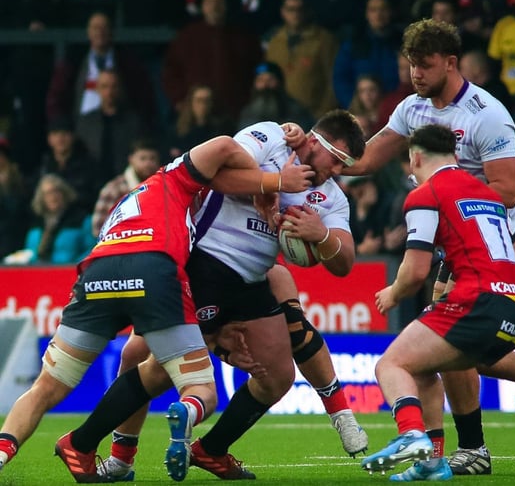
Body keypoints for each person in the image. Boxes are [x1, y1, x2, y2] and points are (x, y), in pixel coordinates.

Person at [344, 19, 515, 476]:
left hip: (496, 236)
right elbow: (370, 157)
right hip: (454, 238)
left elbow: (508, 190)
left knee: (449, 333)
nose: (415, 74)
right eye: (410, 64)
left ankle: (467, 444)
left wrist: (449, 192)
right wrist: (317, 164)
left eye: (425, 65)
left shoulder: (485, 113)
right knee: (451, 339)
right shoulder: (412, 108)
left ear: (451, 63)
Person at [0, 134, 315, 481]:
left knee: (47, 386)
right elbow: (224, 144)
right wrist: (276, 182)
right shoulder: (177, 176)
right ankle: (180, 414)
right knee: (200, 388)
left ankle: (9, 451)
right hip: (153, 270)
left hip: (98, 272)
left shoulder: (126, 201)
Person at [93, 111, 369, 481]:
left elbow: (344, 261)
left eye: (346, 165)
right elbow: (215, 174)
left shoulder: (331, 199)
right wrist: (272, 183)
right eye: (337, 159)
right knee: (138, 354)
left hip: (251, 280)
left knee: (279, 372)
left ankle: (210, 449)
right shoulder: (272, 137)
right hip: (199, 263)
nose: (337, 170)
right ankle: (118, 456)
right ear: (316, 141)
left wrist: (320, 236)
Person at [360, 123, 515, 481]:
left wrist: (392, 293)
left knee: (390, 365)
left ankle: (410, 434)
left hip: (478, 302)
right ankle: (432, 461)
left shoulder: (425, 193)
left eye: (410, 162)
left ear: (417, 156)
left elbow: (416, 270)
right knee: (420, 367)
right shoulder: (486, 192)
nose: (409, 170)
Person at [162, 0, 263, 123]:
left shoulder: (243, 38)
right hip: (195, 114)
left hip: (234, 112)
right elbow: (171, 72)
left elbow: (257, 71)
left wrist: (250, 102)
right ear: (202, 6)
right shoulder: (187, 36)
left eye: (219, 2)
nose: (215, 7)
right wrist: (180, 100)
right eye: (210, 2)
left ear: (226, 5)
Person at [45, 11, 155, 128]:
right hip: (81, 128)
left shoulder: (128, 63)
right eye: (95, 27)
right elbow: (56, 98)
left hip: (121, 129)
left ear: (112, 31)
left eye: (104, 27)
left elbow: (144, 98)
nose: (100, 32)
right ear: (88, 32)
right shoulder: (74, 63)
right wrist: (62, 126)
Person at [265, 0, 339, 118]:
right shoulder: (274, 41)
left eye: (300, 9)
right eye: (291, 9)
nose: (295, 14)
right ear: (283, 12)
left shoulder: (324, 40)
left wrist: (323, 114)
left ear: (308, 11)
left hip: (311, 115)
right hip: (277, 115)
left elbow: (333, 79)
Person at [3, 174, 94, 265]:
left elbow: (90, 250)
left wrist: (76, 266)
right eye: (47, 193)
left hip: (69, 272)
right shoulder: (36, 225)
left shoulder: (82, 220)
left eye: (55, 191)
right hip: (38, 273)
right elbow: (29, 254)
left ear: (64, 193)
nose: (52, 197)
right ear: (41, 198)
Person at [75, 69, 147, 181]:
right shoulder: (86, 123)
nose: (109, 92)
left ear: (120, 89)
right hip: (92, 182)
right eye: (104, 86)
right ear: (97, 89)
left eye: (114, 86)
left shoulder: (134, 121)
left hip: (126, 181)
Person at [332, 0, 401, 108]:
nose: (378, 15)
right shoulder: (353, 44)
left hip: (395, 110)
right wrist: (355, 107)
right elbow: (341, 79)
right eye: (373, 10)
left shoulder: (402, 43)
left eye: (383, 9)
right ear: (367, 14)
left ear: (391, 12)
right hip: (360, 112)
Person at [90, 139, 161, 237]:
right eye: (143, 159)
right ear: (131, 159)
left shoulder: (165, 188)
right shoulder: (114, 189)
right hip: (120, 245)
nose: (148, 164)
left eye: (152, 159)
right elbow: (98, 228)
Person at [237, 62, 315, 132]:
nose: (265, 85)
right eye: (260, 80)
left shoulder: (297, 111)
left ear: (279, 83)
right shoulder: (247, 113)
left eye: (270, 80)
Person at [167, 85, 232, 160]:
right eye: (199, 100)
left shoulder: (221, 129)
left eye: (206, 101)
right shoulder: (178, 130)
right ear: (191, 103)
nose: (203, 105)